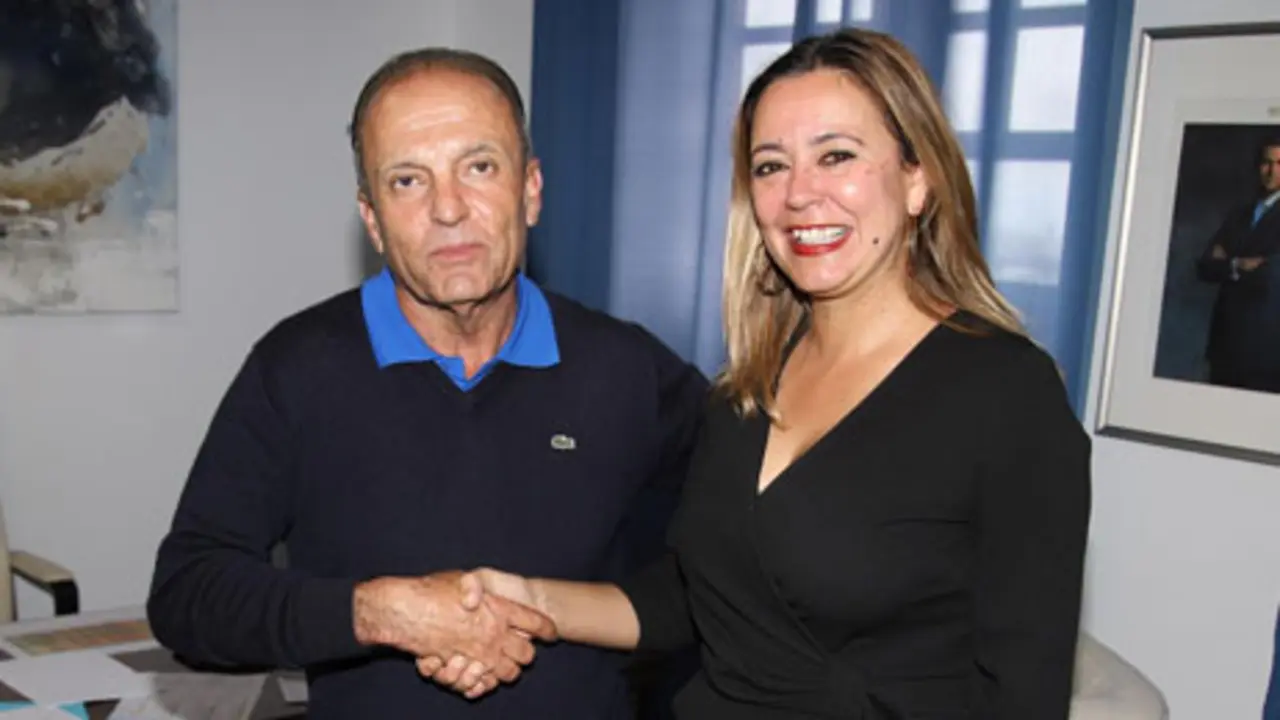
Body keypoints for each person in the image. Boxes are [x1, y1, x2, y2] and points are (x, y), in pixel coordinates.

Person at [418, 27, 1092, 719]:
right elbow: (696, 601)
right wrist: (525, 599)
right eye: (771, 166)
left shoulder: (1006, 395)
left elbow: (1025, 694)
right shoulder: (747, 387)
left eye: (836, 156)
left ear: (918, 179)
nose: (799, 194)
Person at [145, 47, 708, 719]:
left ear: (531, 190)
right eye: (408, 180)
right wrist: (379, 613)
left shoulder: (630, 370)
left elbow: (738, 569)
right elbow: (187, 594)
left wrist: (555, 611)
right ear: (373, 220)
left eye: (479, 167)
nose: (448, 209)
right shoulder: (295, 370)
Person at [1195, 135, 1280, 393]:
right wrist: (1237, 265)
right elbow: (1205, 267)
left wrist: (1228, 262)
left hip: (1266, 351)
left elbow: (1270, 274)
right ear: (1257, 166)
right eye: (1266, 162)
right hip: (1225, 344)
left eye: (1279, 163)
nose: (1271, 170)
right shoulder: (1239, 214)